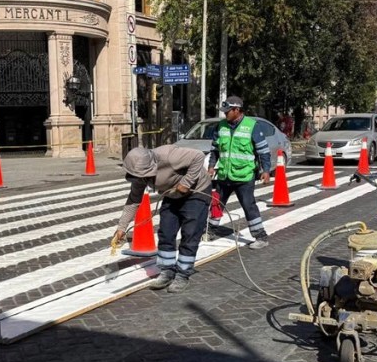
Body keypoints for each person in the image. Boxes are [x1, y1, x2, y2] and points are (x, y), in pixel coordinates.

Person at [114, 145, 212, 294]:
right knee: (166, 232)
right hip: (172, 194)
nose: (142, 181)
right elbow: (133, 200)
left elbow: (198, 156)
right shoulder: (139, 174)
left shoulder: (169, 155)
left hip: (196, 192)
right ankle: (167, 271)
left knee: (190, 233)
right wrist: (121, 228)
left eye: (144, 177)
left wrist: (186, 183)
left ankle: (183, 274)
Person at [208, 96, 273, 250]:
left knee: (248, 205)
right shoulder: (221, 126)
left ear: (237, 110)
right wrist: (211, 166)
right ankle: (210, 231)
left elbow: (263, 151)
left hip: (244, 176)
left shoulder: (252, 126)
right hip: (224, 174)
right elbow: (215, 149)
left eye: (228, 111)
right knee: (217, 203)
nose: (225, 114)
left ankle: (260, 236)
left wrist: (266, 170)